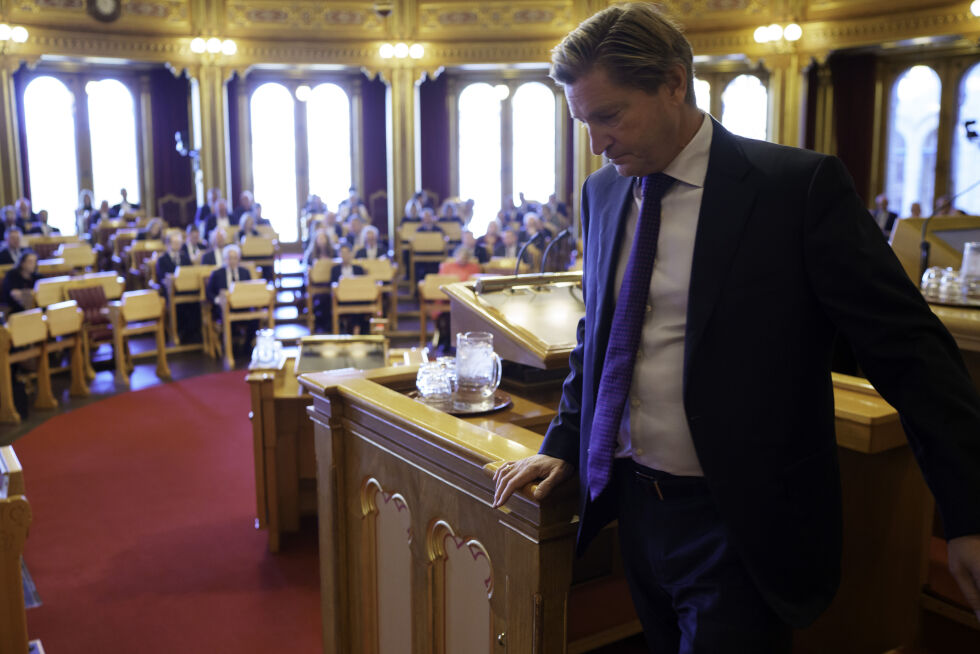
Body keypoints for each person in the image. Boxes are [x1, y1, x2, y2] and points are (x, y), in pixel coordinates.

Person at [491, 4, 980, 653]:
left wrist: (970, 514)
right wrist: (563, 438)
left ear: (673, 83)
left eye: (609, 116)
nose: (596, 144)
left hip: (742, 522)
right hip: (634, 508)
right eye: (584, 122)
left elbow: (912, 354)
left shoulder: (796, 189)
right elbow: (602, 337)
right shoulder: (604, 193)